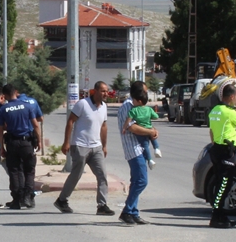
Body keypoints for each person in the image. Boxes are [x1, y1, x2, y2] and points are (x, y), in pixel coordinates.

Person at [54, 81, 114, 216]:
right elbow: (70, 121)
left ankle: (102, 205)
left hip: (96, 147)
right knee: (76, 175)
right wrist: (66, 143)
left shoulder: (104, 107)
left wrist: (104, 146)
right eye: (103, 91)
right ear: (95, 91)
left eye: (107, 91)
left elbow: (103, 126)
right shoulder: (83, 104)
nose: (106, 94)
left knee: (102, 175)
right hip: (80, 146)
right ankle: (62, 200)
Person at [117, 81, 157, 225]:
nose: (145, 95)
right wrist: (150, 131)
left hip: (141, 147)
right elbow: (131, 128)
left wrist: (152, 131)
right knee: (142, 181)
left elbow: (144, 122)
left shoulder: (138, 106)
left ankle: (133, 212)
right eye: (144, 92)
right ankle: (127, 210)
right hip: (133, 148)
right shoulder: (127, 107)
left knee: (136, 181)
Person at [0, 83, 41, 210]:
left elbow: (0, 130)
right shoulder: (27, 106)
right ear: (16, 92)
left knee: (15, 171)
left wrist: (1, 148)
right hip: (26, 143)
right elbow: (36, 125)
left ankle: (17, 199)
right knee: (29, 170)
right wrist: (38, 141)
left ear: (4, 96)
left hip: (12, 143)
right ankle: (28, 197)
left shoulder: (3, 109)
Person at [207, 83, 236, 229]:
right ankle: (217, 215)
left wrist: (215, 143)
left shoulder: (215, 110)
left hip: (216, 148)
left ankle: (220, 214)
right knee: (224, 185)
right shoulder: (230, 112)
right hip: (226, 150)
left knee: (220, 184)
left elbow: (211, 130)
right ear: (231, 96)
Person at [128, 96, 163, 167]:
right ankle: (157, 149)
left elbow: (129, 120)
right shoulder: (149, 109)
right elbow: (156, 116)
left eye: (134, 100)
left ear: (139, 101)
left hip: (141, 131)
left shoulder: (134, 110)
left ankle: (150, 160)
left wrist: (125, 127)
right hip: (149, 128)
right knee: (153, 138)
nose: (132, 102)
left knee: (145, 145)